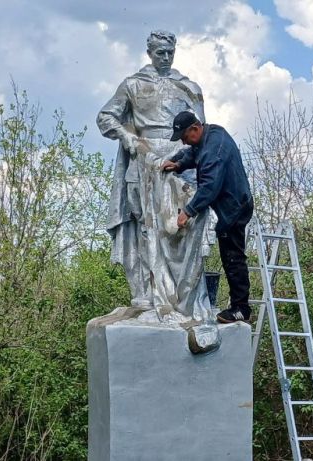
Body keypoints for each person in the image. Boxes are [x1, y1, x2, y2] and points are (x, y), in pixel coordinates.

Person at [96, 31, 214, 321]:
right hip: (144, 159)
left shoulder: (187, 87)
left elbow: (201, 130)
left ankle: (183, 297)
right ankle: (148, 294)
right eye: (160, 52)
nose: (165, 57)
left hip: (180, 161)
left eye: (169, 52)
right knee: (145, 227)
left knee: (183, 224)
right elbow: (105, 117)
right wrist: (127, 137)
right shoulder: (134, 84)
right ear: (150, 52)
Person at [162, 111, 254, 323]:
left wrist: (188, 211)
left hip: (234, 207)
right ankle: (238, 305)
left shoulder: (215, 150)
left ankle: (241, 309)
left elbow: (210, 187)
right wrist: (178, 163)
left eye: (185, 136)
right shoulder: (209, 136)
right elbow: (194, 153)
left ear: (195, 128)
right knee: (229, 255)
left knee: (233, 257)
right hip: (229, 204)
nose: (184, 141)